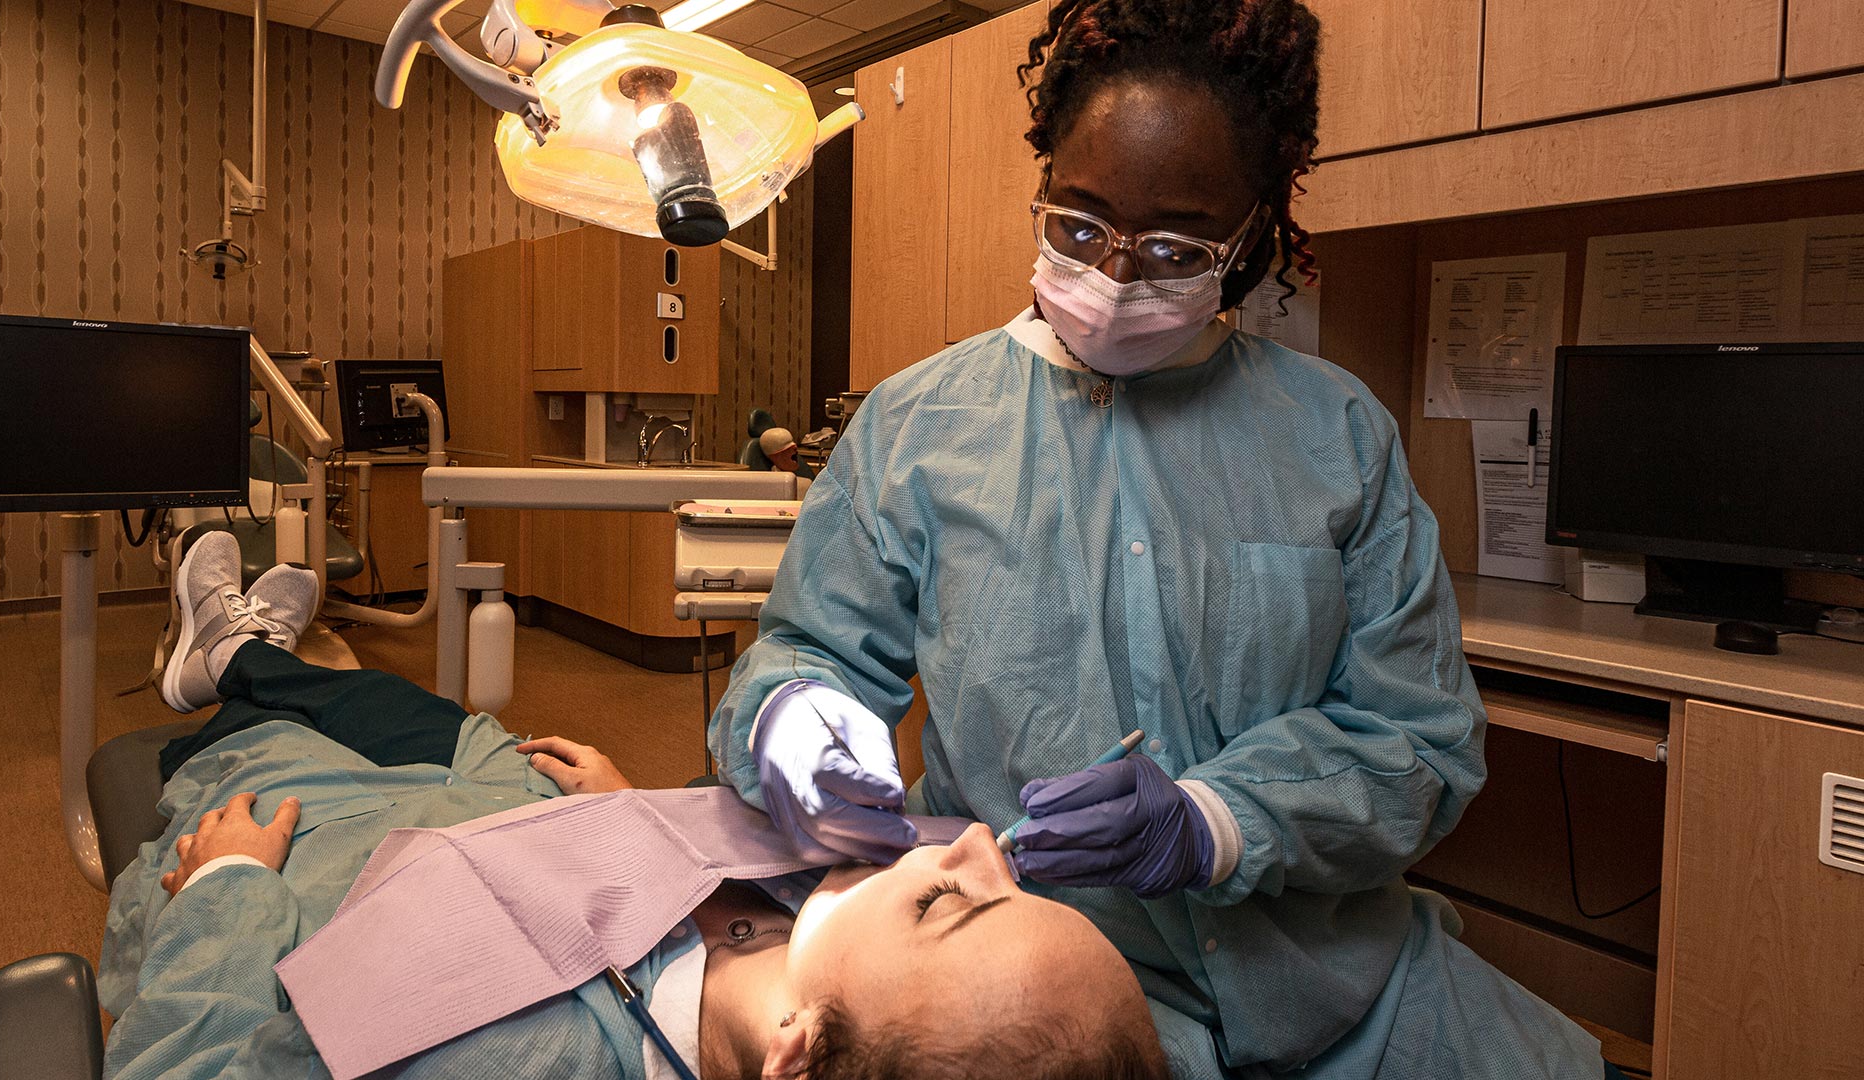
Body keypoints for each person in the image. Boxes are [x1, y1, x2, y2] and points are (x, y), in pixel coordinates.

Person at [708, 1, 1610, 1077]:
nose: (1117, 276)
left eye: (1176, 246)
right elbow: (807, 654)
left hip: (1345, 982)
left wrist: (1217, 822)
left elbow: (1421, 743)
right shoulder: (920, 427)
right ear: (1042, 183)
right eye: (1079, 227)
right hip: (1053, 1003)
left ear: (1251, 236)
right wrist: (800, 723)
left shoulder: (1336, 436)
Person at [103, 532, 1169, 1080]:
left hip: (310, 833)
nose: (979, 840)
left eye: (952, 906)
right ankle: (256, 654)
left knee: (272, 724)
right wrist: (643, 825)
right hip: (504, 780)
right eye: (1016, 881)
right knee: (389, 695)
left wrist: (227, 894)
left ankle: (230, 660)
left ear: (797, 1054)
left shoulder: (493, 1059)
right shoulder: (832, 951)